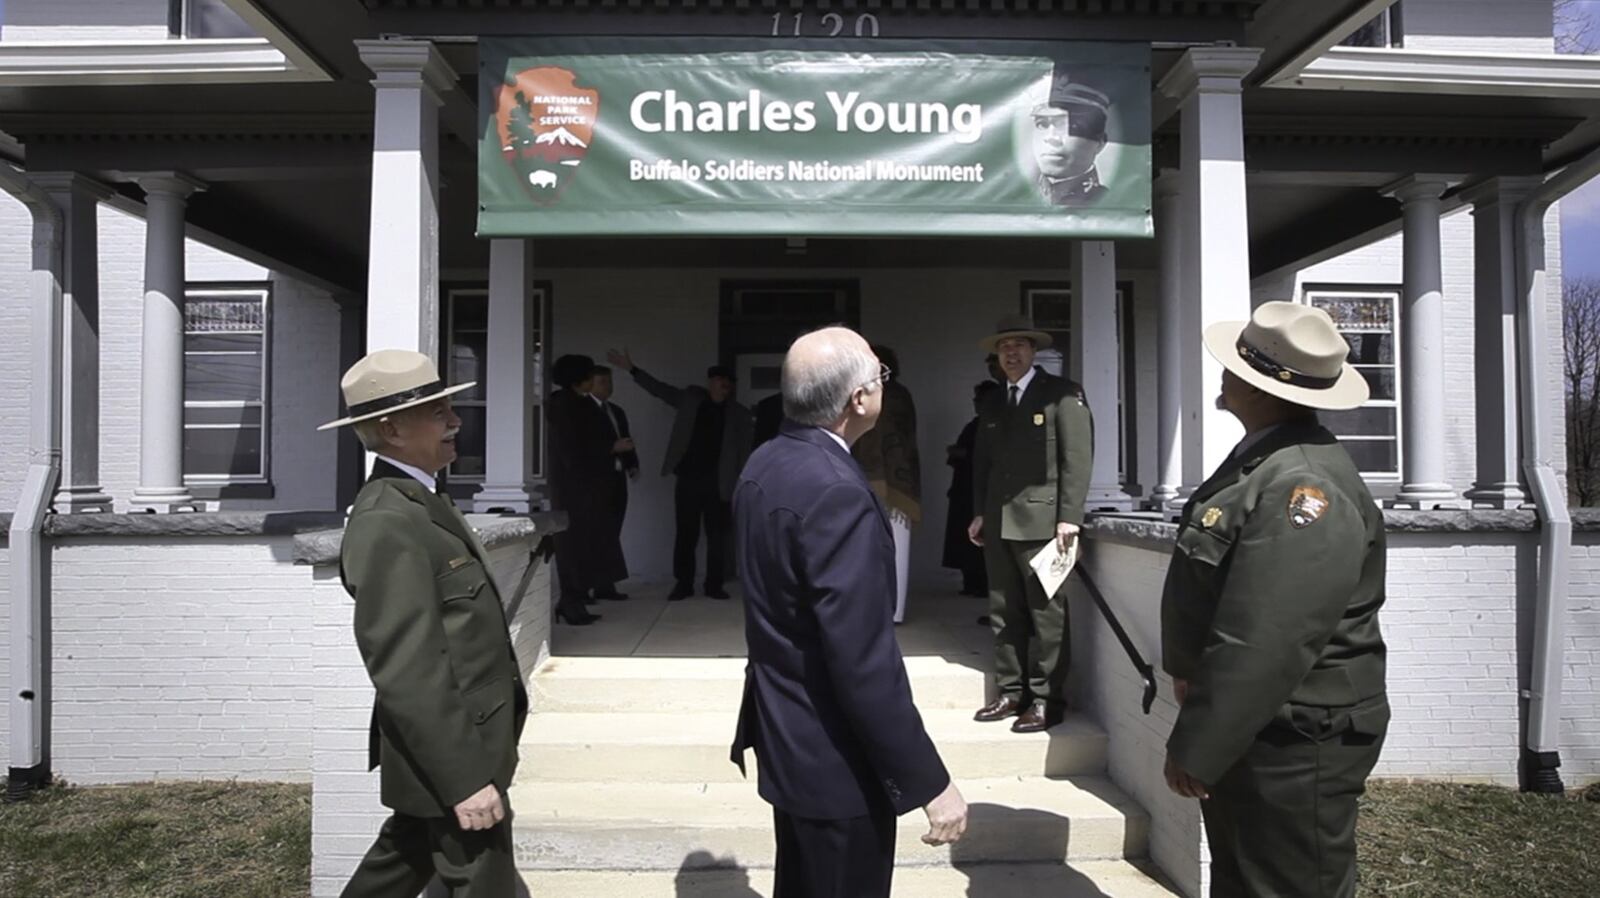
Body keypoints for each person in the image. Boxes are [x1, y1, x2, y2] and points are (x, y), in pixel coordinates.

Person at [1160, 301, 1388, 898]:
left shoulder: (1301, 484)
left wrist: (1199, 745)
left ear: (1262, 386)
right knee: (1244, 879)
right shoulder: (1267, 460)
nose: (1224, 372)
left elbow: (1265, 638)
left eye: (1236, 365)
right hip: (1261, 726)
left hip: (1294, 737)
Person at [730, 326, 967, 898]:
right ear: (858, 400)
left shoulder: (766, 460)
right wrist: (930, 782)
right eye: (878, 376)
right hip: (836, 764)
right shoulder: (836, 490)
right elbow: (862, 662)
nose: (884, 385)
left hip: (789, 742)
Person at [319, 349, 528, 897]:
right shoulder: (388, 518)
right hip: (454, 757)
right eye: (438, 413)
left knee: (402, 863)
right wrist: (464, 780)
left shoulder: (420, 500)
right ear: (390, 429)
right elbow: (407, 668)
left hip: (461, 746)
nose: (456, 421)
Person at [969, 315, 1093, 734]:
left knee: (1046, 615)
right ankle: (1010, 691)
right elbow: (984, 465)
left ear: (1034, 351)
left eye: (1019, 345)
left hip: (1044, 522)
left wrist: (1069, 518)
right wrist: (981, 511)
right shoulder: (993, 402)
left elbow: (1076, 461)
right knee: (1004, 611)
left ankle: (1046, 699)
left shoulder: (1061, 396)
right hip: (1000, 521)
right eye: (1004, 348)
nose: (1011, 353)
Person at [606, 348, 754, 601]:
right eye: (720, 381)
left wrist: (743, 483)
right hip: (688, 479)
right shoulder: (691, 400)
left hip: (721, 483)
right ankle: (683, 583)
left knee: (718, 536)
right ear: (711, 383)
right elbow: (659, 389)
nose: (725, 386)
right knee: (686, 534)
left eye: (728, 383)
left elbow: (745, 451)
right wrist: (632, 369)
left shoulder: (738, 413)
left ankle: (714, 584)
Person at [850, 345, 921, 624]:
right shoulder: (899, 395)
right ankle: (892, 610)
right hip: (896, 479)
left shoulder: (885, 395)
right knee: (889, 549)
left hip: (887, 480)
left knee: (878, 548)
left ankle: (890, 610)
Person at [544, 354, 617, 625]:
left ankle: (575, 599)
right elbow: (572, 449)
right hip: (574, 487)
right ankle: (571, 601)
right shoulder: (564, 406)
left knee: (585, 545)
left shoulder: (580, 404)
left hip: (588, 485)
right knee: (572, 545)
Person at [943, 381, 1001, 598]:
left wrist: (962, 453)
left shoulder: (992, 425)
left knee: (981, 542)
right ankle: (971, 582)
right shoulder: (974, 425)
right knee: (964, 540)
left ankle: (983, 585)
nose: (977, 404)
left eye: (980, 400)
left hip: (983, 493)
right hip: (964, 491)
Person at [589, 364, 639, 601]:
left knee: (612, 532)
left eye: (609, 382)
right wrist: (612, 448)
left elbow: (626, 438)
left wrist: (632, 464)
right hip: (596, 481)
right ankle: (587, 586)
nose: (608, 387)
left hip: (617, 478)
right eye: (602, 382)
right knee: (595, 533)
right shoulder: (585, 411)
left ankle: (605, 585)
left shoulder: (616, 411)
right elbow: (581, 446)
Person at [1030, 71, 1113, 207]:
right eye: (1042, 124)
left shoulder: (1111, 204)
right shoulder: (1012, 198)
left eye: (1069, 126)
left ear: (1100, 142)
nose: (1051, 137)